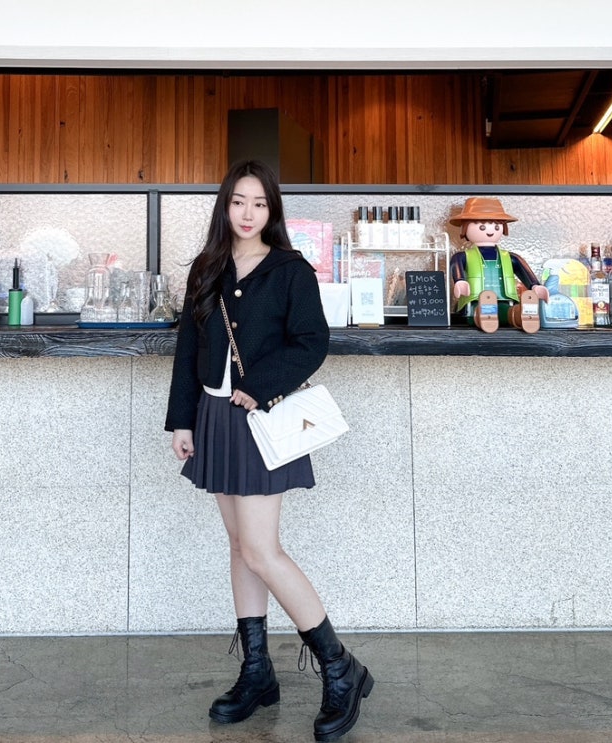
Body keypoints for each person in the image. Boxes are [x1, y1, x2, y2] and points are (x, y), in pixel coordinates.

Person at [164, 159, 373, 742]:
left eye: (259, 203)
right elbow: (188, 347)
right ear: (224, 206)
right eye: (239, 201)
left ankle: (340, 667)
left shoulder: (289, 270)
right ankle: (257, 671)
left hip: (256, 418)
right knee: (240, 546)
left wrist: (260, 385)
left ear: (272, 210)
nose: (248, 213)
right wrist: (182, 420)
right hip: (214, 417)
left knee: (262, 549)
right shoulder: (207, 267)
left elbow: (312, 342)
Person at [449, 196, 548, 332]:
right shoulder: (464, 256)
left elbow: (522, 270)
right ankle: (499, 314)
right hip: (476, 298)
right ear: (465, 228)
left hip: (504, 298)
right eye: (482, 227)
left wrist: (534, 285)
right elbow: (455, 265)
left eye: (496, 226)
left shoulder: (509, 257)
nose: (490, 231)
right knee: (480, 310)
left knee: (504, 311)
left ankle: (520, 314)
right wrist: (459, 281)